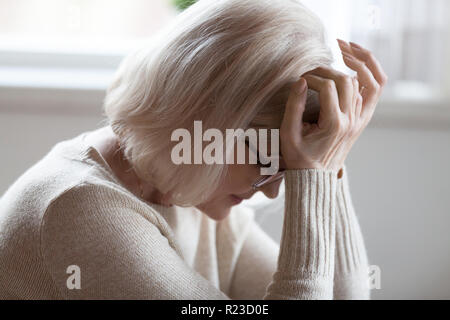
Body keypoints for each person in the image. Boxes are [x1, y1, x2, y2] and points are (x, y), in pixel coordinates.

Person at [0, 0, 387, 299]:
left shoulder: (191, 186)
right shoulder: (82, 211)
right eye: (267, 160)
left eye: (287, 170)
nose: (272, 189)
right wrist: (312, 174)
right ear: (205, 119)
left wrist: (329, 164)